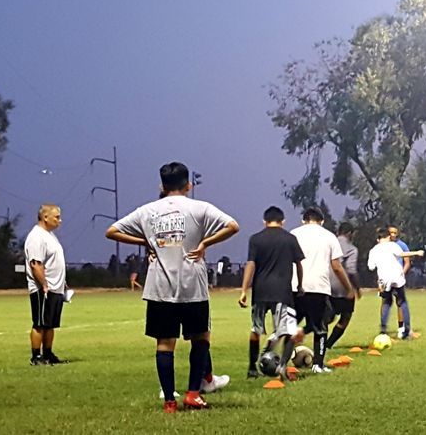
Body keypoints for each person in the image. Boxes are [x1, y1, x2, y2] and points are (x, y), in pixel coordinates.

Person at [105, 162, 240, 413]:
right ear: (188, 185)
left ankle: (169, 401)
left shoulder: (147, 210)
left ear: (161, 186)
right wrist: (205, 244)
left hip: (159, 287)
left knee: (165, 344)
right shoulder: (200, 207)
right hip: (193, 285)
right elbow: (232, 226)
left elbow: (111, 231)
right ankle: (192, 394)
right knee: (200, 339)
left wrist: (147, 242)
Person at [237, 206, 304, 385]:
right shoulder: (290, 239)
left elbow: (250, 264)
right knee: (289, 330)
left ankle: (252, 367)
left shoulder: (256, 239)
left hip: (260, 291)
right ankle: (282, 365)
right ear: (283, 221)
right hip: (282, 291)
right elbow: (298, 264)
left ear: (264, 221)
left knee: (255, 329)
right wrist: (301, 285)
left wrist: (244, 289)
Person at [290, 208, 355, 373]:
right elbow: (337, 266)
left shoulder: (293, 234)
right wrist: (348, 288)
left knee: (289, 326)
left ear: (303, 220)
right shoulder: (329, 236)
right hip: (319, 286)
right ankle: (317, 365)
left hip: (295, 286)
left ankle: (276, 360)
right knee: (321, 327)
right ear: (322, 221)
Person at [25, 203, 67, 366]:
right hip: (43, 288)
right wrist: (44, 285)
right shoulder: (37, 237)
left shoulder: (49, 235)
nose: (60, 220)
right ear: (45, 217)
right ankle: (36, 357)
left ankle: (48, 354)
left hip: (56, 287)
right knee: (40, 323)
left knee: (50, 324)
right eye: (56, 217)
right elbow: (36, 264)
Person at [368, 228, 425, 338]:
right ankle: (406, 330)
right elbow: (402, 254)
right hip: (397, 277)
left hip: (384, 280)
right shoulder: (393, 245)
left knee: (386, 303)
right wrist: (417, 252)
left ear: (378, 239)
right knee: (402, 302)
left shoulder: (373, 250)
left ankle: (383, 331)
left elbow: (371, 267)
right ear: (388, 237)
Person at [325, 222, 360, 349]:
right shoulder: (351, 249)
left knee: (326, 317)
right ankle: (328, 344)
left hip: (325, 285)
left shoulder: (328, 243)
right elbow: (351, 270)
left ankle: (311, 337)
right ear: (350, 233)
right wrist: (356, 287)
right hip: (342, 287)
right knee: (345, 317)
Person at [385, 225, 415, 339]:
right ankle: (383, 329)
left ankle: (401, 327)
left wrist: (402, 273)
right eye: (391, 232)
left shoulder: (402, 245)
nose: (393, 234)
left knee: (400, 302)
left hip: (398, 279)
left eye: (395, 232)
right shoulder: (384, 246)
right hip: (386, 279)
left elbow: (407, 262)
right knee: (385, 302)